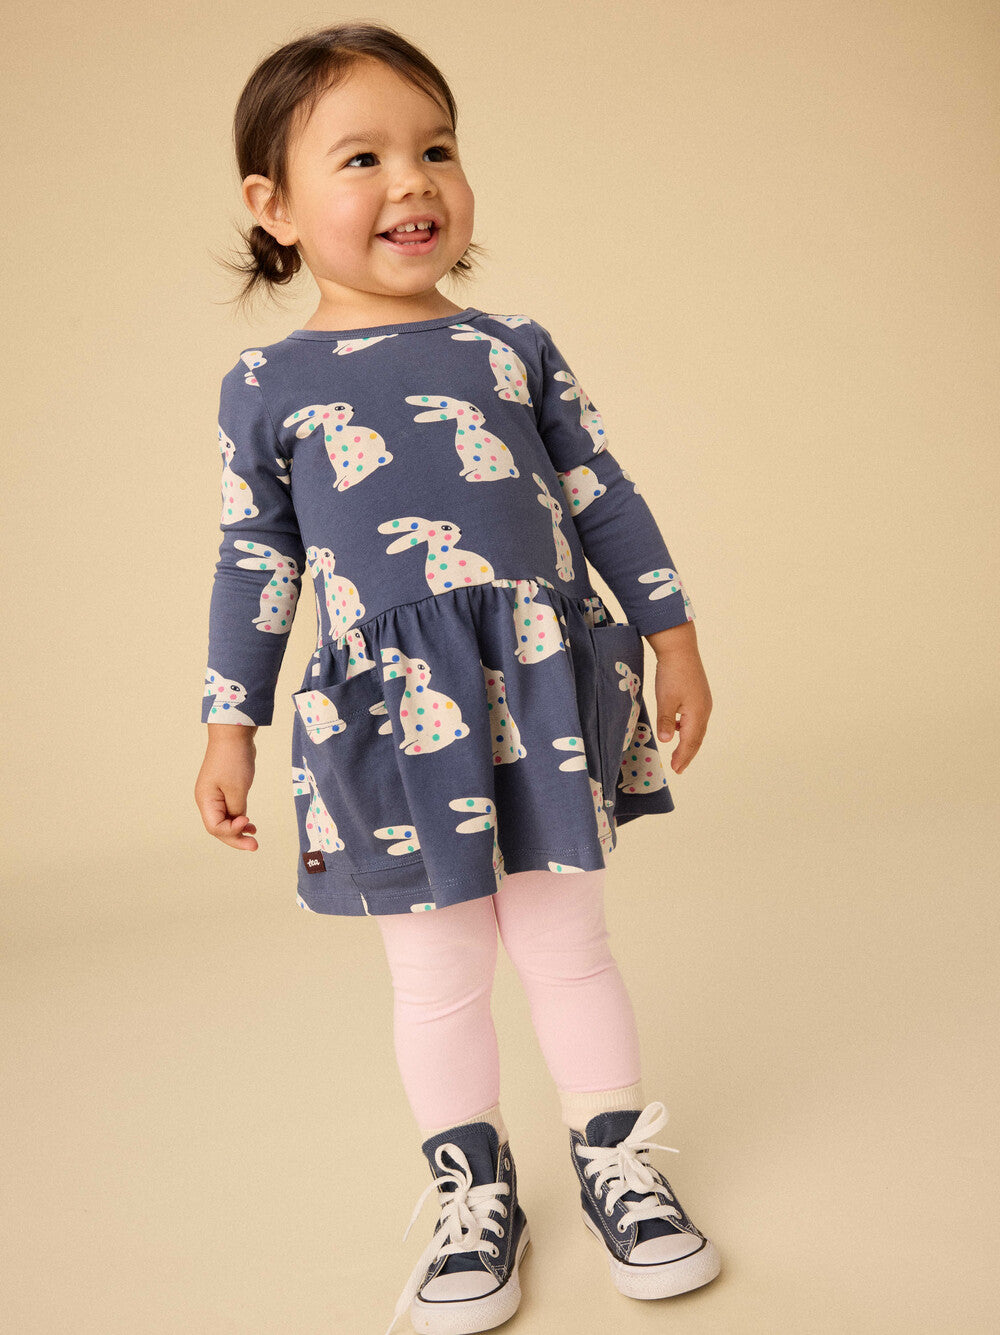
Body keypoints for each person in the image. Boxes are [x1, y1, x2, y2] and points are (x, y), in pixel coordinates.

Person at [194, 20, 720, 1334]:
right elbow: (256, 562)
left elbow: (603, 498)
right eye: (361, 158)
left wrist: (673, 637)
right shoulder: (267, 385)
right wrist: (228, 723)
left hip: (538, 694)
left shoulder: (511, 348)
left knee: (568, 944)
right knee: (434, 972)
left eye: (436, 150)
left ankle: (615, 1159)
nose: (412, 182)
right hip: (389, 723)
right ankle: (474, 1191)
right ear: (273, 206)